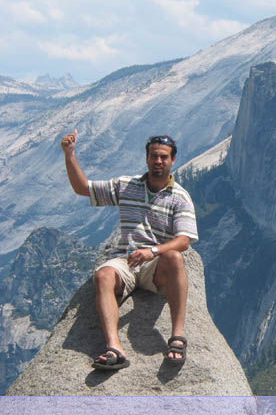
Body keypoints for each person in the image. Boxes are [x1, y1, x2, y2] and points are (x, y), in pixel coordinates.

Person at [61, 130, 198, 370]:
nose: (158, 161)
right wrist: (69, 155)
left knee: (175, 257)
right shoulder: (126, 186)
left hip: (156, 265)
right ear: (147, 158)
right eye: (154, 156)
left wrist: (153, 251)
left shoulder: (180, 197)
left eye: (163, 157)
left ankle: (177, 337)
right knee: (103, 275)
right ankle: (114, 348)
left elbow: (184, 240)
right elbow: (83, 188)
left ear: (172, 160)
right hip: (126, 260)